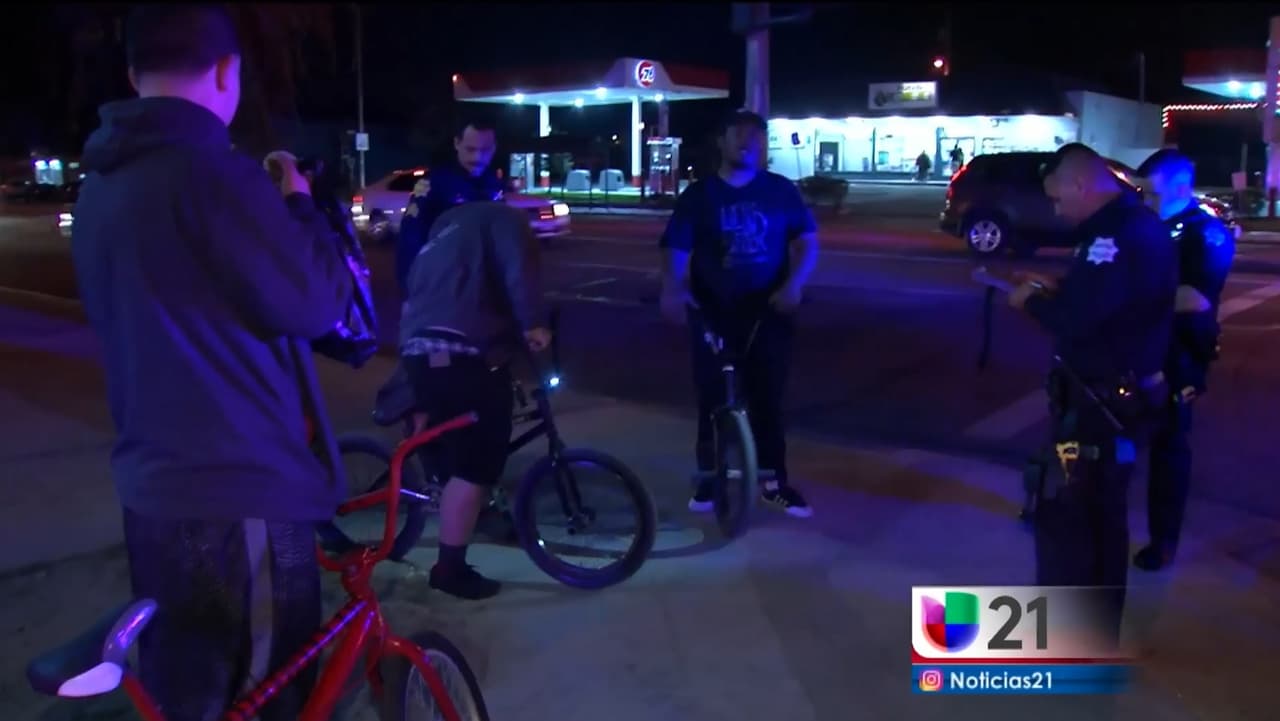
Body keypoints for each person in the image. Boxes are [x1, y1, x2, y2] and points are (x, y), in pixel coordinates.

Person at [70, 6, 353, 720]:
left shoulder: (101, 186)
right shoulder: (214, 175)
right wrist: (299, 208)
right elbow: (317, 302)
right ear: (227, 71)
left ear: (133, 75)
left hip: (155, 494)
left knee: (192, 692)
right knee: (269, 692)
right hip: (242, 495)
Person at [1009, 143, 1176, 644]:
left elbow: (1078, 320)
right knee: (1100, 522)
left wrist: (1030, 302)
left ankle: (1069, 643)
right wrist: (1059, 290)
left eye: (1058, 198)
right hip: (1116, 399)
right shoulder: (1131, 226)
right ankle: (1093, 637)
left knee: (1072, 525)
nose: (1056, 209)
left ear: (1080, 184)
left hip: (1098, 407)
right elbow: (1110, 303)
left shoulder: (1114, 235)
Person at [659, 109, 820, 518]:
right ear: (722, 141)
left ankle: (774, 482)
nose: (748, 142)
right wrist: (674, 289)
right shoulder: (699, 196)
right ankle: (710, 477)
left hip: (768, 312)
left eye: (757, 136)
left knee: (768, 399)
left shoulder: (781, 191)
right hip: (712, 312)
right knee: (712, 399)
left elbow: (807, 242)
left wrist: (794, 284)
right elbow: (676, 249)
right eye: (739, 134)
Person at [399, 201, 550, 599]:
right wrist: (534, 324)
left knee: (454, 446)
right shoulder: (505, 221)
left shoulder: (442, 233)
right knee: (478, 461)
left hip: (419, 348)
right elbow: (518, 273)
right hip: (462, 350)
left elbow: (412, 288)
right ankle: (449, 569)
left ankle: (443, 489)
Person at [1132, 149, 1234, 572]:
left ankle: (1163, 541)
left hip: (1179, 355)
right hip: (1138, 349)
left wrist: (1121, 297)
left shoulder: (1205, 234)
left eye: (1153, 193)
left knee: (1169, 448)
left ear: (1179, 187)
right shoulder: (1148, 226)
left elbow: (1194, 298)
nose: (1146, 201)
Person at [394, 118, 504, 296]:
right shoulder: (434, 184)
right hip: (443, 288)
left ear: (494, 148)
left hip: (483, 291)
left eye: (485, 150)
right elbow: (410, 240)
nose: (477, 158)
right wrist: (411, 292)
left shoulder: (495, 184)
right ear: (457, 144)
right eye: (470, 149)